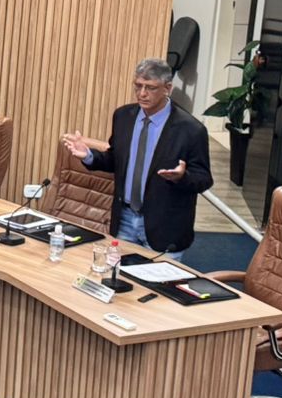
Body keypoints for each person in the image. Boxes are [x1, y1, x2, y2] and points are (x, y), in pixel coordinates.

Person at [61, 57, 212, 259]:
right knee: (116, 275)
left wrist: (182, 177)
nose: (142, 93)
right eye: (138, 86)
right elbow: (115, 160)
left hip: (164, 226)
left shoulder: (191, 129)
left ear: (167, 88)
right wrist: (88, 155)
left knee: (157, 280)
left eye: (150, 88)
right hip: (125, 219)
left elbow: (204, 179)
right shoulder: (123, 117)